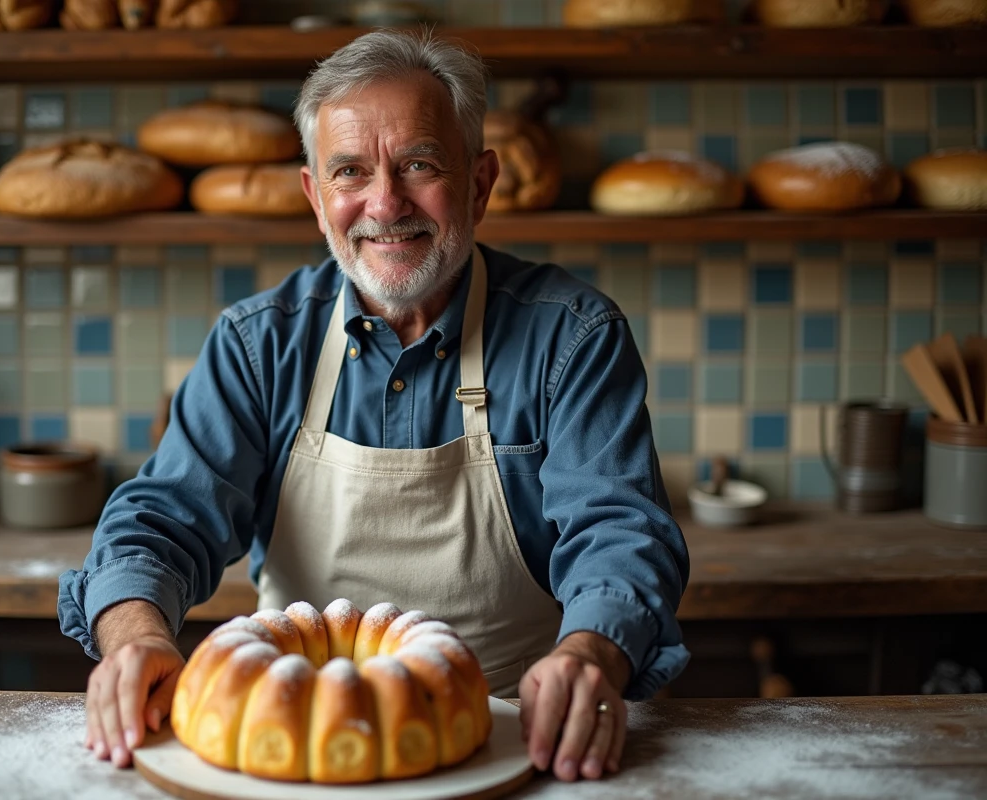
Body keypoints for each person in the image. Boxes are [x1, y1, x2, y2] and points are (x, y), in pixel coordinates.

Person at [58, 29, 690, 783]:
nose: (384, 204)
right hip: (293, 744)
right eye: (350, 171)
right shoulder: (260, 344)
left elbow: (618, 530)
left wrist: (591, 655)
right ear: (314, 196)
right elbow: (161, 520)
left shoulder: (572, 338)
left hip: (519, 739)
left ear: (481, 183)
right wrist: (135, 637)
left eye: (419, 165)